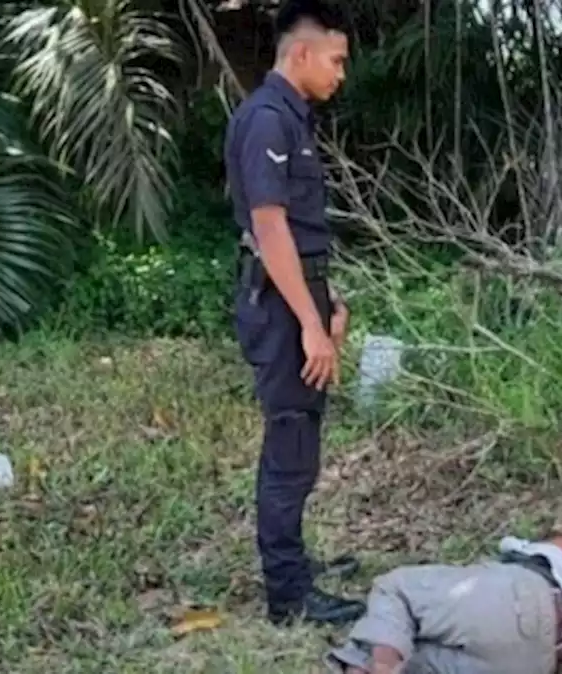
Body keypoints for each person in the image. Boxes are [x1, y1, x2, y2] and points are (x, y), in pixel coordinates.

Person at [224, 0, 361, 626]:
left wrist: (326, 301)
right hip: (280, 312)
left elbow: (299, 233)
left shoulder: (294, 119)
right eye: (335, 60)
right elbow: (269, 226)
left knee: (300, 444)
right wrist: (308, 324)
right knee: (289, 445)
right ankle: (288, 595)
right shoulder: (267, 122)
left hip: (297, 297)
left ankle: (296, 564)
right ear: (300, 53)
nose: (340, 73)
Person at [324, 512, 562, 674]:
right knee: (406, 648)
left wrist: (519, 545)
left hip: (534, 600)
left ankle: (381, 664)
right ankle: (378, 660)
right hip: (543, 663)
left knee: (396, 589)